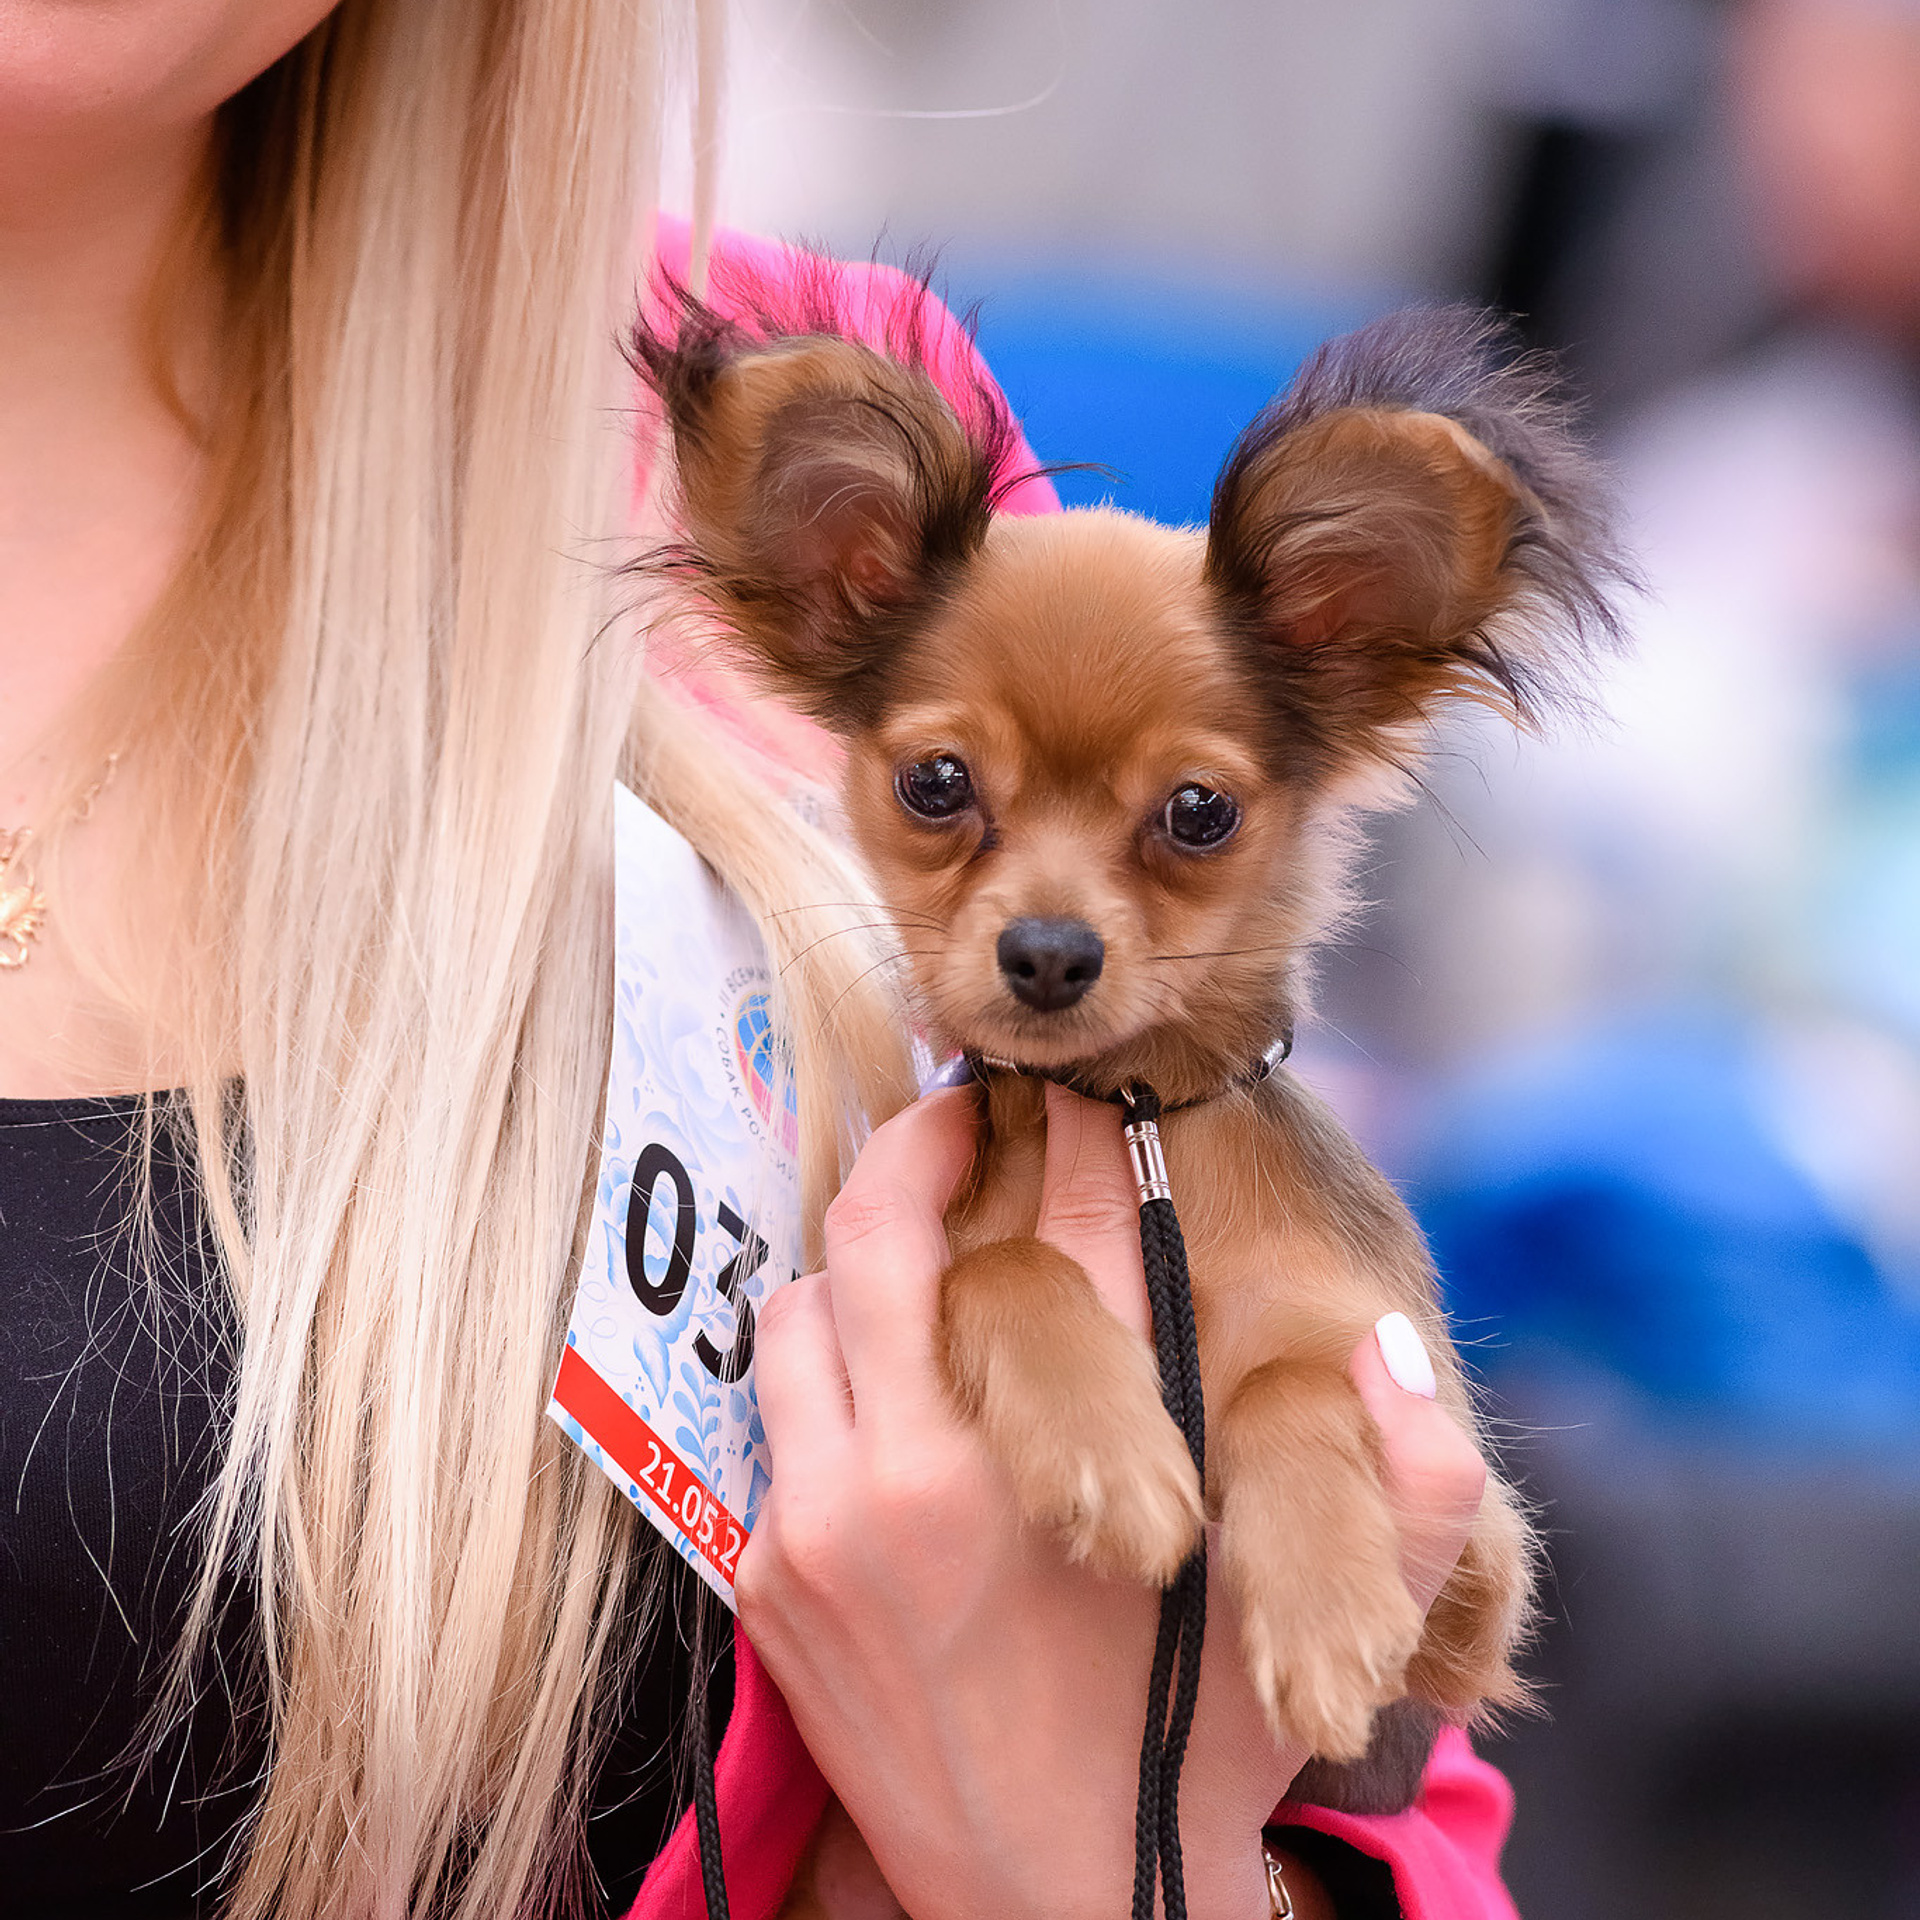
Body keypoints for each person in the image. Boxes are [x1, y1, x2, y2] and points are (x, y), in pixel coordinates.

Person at [0, 3, 1523, 1915]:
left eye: (1186, 822)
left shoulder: (803, 494)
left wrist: (1089, 1857)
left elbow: (1382, 1769)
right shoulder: (844, 527)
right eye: (949, 793)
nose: (1045, 897)